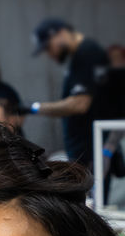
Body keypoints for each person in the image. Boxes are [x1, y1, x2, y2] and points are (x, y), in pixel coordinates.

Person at [27, 18, 110, 168]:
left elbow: (79, 104)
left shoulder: (88, 53)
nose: (49, 54)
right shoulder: (77, 57)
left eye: (48, 47)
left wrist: (35, 108)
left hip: (91, 151)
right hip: (82, 152)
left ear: (61, 33)